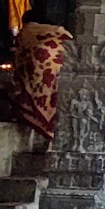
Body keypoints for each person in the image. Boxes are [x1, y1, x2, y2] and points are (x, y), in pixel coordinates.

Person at [10, 10, 72, 141]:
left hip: (42, 75)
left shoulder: (28, 30)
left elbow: (21, 55)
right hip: (64, 73)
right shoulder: (60, 31)